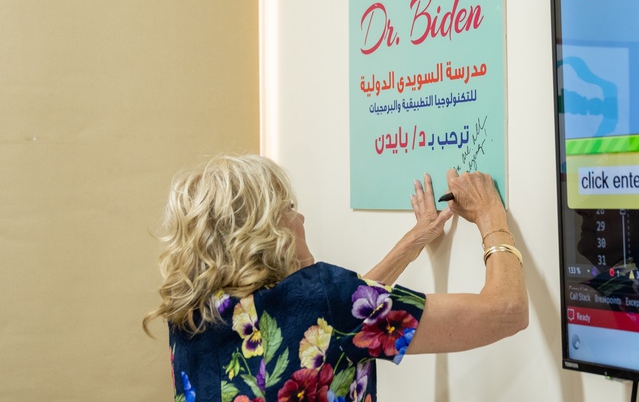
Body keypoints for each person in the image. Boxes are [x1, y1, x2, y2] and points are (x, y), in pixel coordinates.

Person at [143, 154, 528, 402]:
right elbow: (507, 312)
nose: (301, 219)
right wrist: (491, 214)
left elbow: (330, 327)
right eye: (290, 209)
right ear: (264, 231)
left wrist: (414, 241)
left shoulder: (189, 312)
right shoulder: (324, 300)